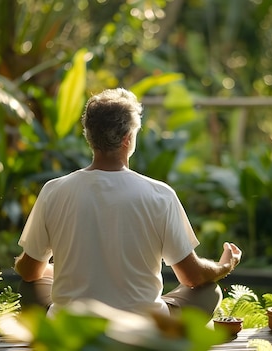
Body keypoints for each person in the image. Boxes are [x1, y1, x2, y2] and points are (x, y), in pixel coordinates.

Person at [14, 88, 242, 319]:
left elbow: (29, 271)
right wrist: (224, 266)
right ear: (127, 139)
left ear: (89, 135)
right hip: (143, 329)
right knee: (208, 291)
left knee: (28, 287)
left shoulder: (53, 191)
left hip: (73, 329)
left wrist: (52, 270)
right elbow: (192, 277)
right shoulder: (160, 195)